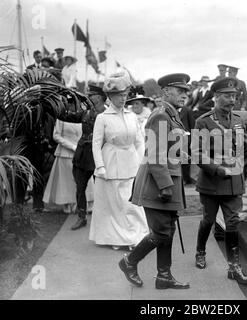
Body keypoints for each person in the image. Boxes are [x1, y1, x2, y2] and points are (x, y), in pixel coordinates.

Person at [191, 77, 247, 285]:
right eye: (228, 96)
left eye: (234, 96)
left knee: (233, 223)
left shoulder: (237, 120)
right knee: (208, 220)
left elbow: (243, 145)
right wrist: (217, 169)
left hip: (234, 182)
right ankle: (200, 251)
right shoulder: (204, 121)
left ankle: (234, 267)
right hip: (212, 183)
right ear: (216, 97)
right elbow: (196, 153)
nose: (232, 100)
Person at [119, 73, 191, 290]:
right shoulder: (161, 115)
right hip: (159, 183)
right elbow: (155, 154)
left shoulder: (173, 115)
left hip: (168, 179)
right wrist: (166, 185)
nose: (185, 96)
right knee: (161, 232)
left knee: (167, 229)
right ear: (166, 91)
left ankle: (164, 276)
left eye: (186, 92)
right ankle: (129, 262)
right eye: (180, 91)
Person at [90, 74, 148, 250]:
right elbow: (96, 144)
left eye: (125, 95)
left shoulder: (132, 116)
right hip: (111, 163)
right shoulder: (103, 118)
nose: (123, 99)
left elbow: (140, 141)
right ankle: (118, 238)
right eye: (118, 96)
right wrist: (100, 165)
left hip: (131, 162)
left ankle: (138, 235)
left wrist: (139, 162)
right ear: (110, 97)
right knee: (115, 204)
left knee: (132, 202)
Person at [56, 84, 107, 230]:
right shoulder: (86, 113)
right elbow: (65, 116)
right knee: (80, 188)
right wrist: (59, 103)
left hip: (99, 158)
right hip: (82, 156)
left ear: (99, 97)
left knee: (102, 189)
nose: (89, 97)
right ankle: (81, 217)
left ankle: (103, 220)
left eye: (91, 95)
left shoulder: (108, 114)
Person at [43, 115, 94, 214]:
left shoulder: (85, 116)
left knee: (84, 179)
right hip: (65, 153)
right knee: (66, 181)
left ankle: (85, 203)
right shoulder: (62, 117)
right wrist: (72, 147)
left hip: (82, 152)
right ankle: (67, 203)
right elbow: (56, 136)